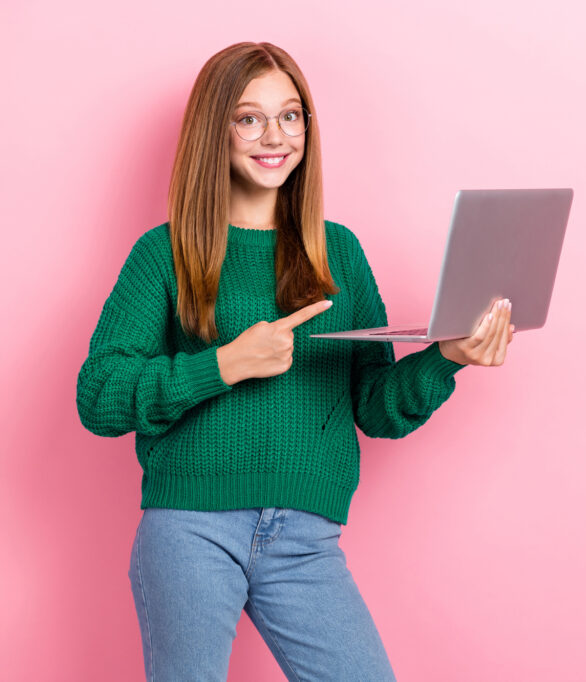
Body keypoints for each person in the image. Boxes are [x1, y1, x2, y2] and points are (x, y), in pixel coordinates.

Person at [76, 41, 514, 682]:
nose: (273, 135)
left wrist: (447, 356)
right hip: (190, 532)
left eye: (291, 115)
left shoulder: (338, 252)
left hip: (306, 542)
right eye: (248, 118)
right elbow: (100, 396)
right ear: (214, 131)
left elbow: (374, 408)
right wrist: (223, 363)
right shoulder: (163, 255)